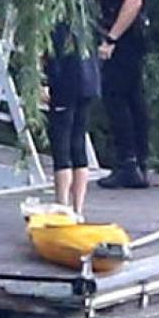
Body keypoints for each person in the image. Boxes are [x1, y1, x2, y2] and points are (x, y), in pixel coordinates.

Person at [90, 0, 153, 189]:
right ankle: (136, 160)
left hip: (126, 36)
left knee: (117, 96)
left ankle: (129, 162)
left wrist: (112, 38)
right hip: (124, 34)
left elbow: (133, 1)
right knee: (131, 96)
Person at [42, 21, 101, 218]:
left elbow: (50, 52)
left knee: (62, 145)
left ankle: (62, 207)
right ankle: (78, 208)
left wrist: (45, 82)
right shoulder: (83, 15)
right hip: (88, 82)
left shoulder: (53, 20)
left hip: (65, 83)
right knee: (78, 143)